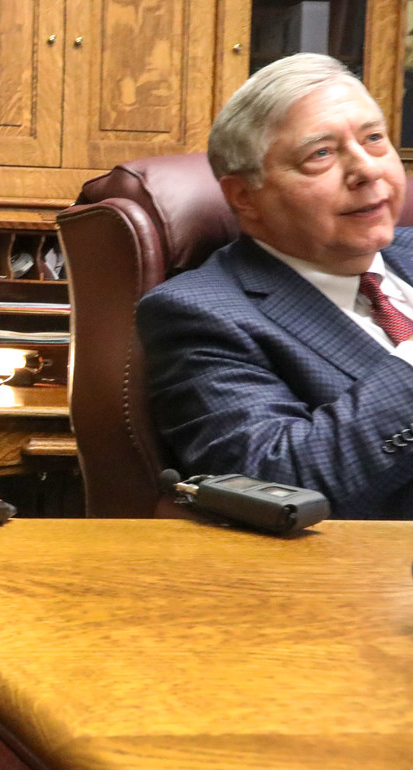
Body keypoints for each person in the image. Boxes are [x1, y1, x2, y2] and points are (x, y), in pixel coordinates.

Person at [136, 53, 413, 518]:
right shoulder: (198, 313)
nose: (367, 169)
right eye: (320, 154)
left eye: (374, 139)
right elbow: (278, 484)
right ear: (245, 197)